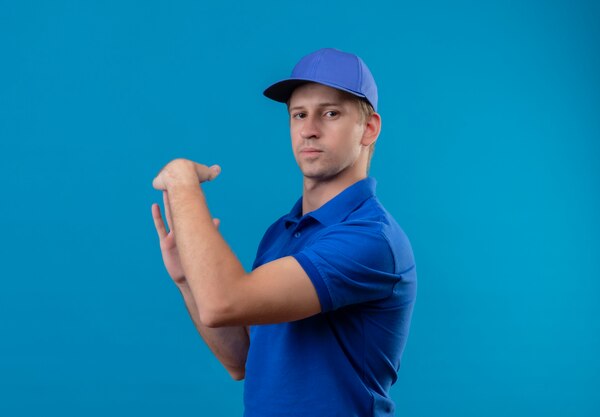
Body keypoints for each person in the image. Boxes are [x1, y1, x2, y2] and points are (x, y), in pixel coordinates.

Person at [151, 48, 417, 416]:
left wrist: (182, 180)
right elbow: (241, 360)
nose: (309, 129)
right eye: (299, 115)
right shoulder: (281, 232)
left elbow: (224, 300)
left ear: (368, 128)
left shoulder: (370, 238)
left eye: (330, 113)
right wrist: (187, 280)